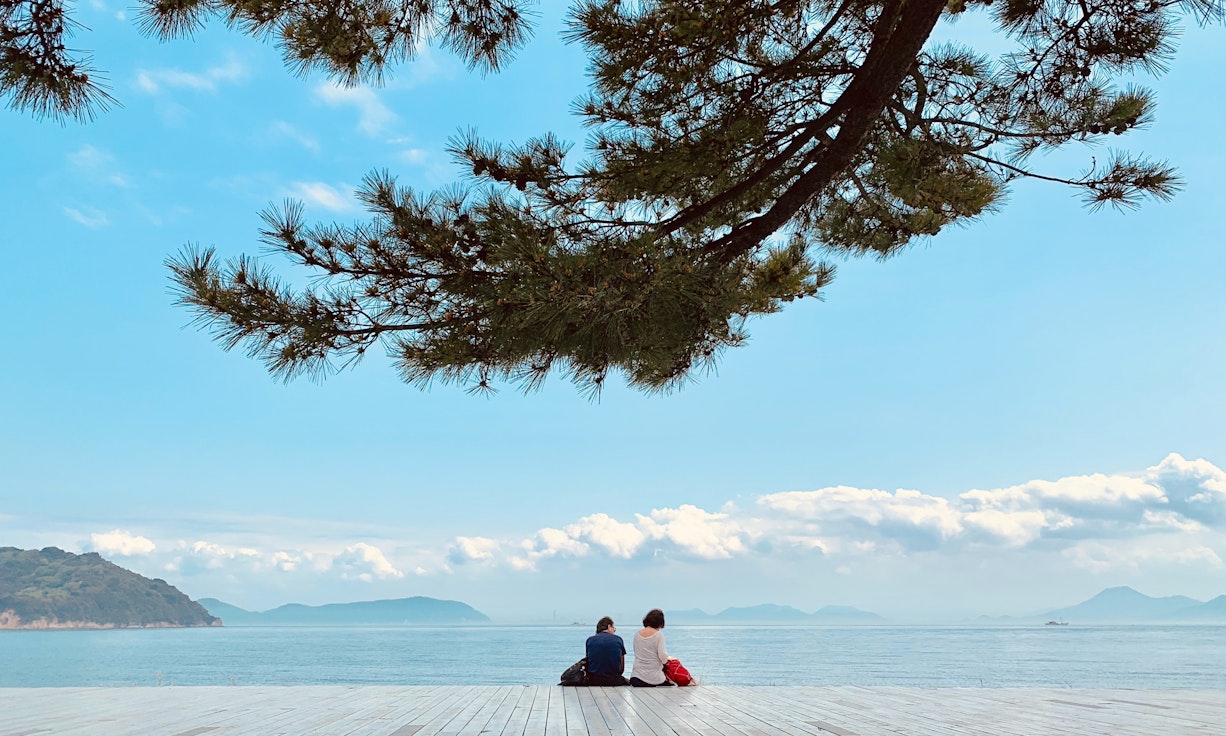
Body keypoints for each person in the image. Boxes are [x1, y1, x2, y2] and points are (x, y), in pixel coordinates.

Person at [629, 608, 676, 687]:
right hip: (654, 679)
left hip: (636, 678)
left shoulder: (637, 634)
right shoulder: (658, 635)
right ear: (660, 623)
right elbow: (663, 657)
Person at [584, 616, 628, 686]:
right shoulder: (618, 640)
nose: (614, 631)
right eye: (614, 628)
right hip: (614, 680)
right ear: (609, 626)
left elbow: (588, 661)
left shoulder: (590, 640)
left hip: (593, 680)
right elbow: (621, 667)